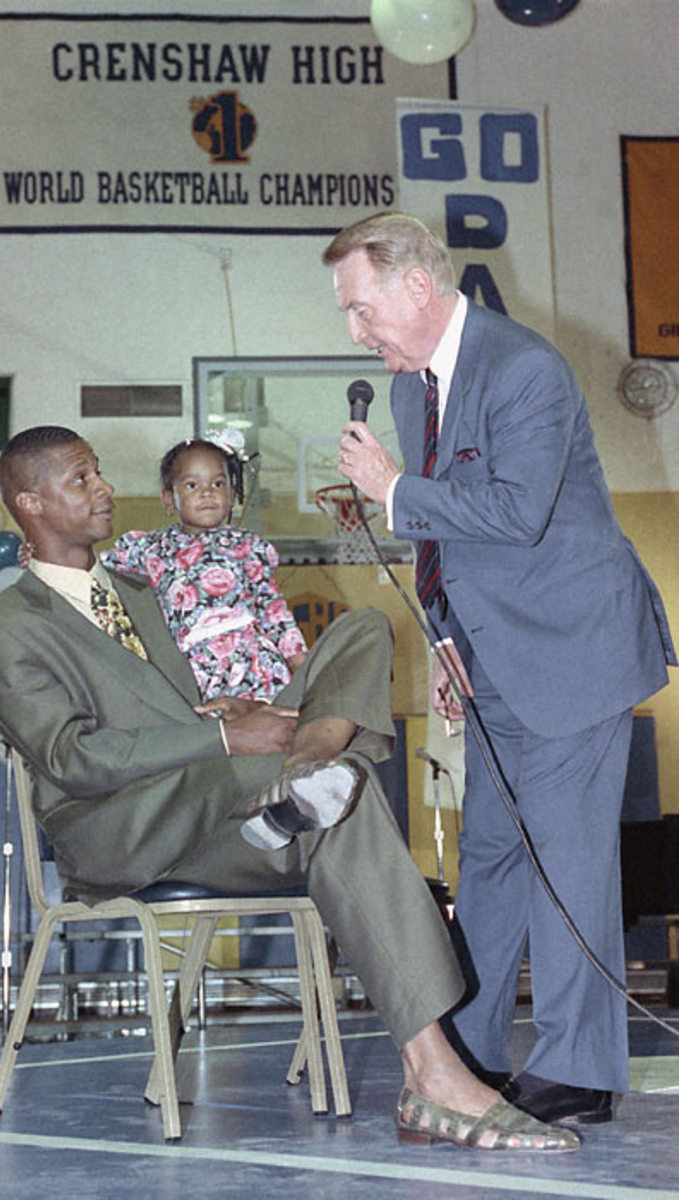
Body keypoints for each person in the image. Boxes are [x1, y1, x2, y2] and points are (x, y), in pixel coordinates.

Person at [0, 424, 578, 1152]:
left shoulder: (135, 589)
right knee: (340, 799)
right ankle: (433, 1076)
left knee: (362, 631)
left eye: (98, 473)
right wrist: (226, 737)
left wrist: (231, 712)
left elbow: (172, 698)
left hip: (224, 801)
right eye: (81, 479)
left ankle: (307, 770)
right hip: (124, 828)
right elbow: (71, 756)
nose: (103, 490)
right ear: (28, 502)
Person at [323, 211, 676, 1127]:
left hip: (572, 649)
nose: (355, 334)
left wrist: (390, 489)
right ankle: (469, 1053)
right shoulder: (410, 392)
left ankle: (577, 1068)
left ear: (415, 285)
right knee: (488, 858)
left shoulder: (523, 368)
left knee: (567, 863)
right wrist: (445, 639)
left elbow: (516, 513)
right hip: (490, 654)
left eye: (361, 310)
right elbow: (444, 538)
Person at [101, 432, 308, 703]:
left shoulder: (247, 546)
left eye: (218, 483)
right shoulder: (149, 548)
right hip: (189, 672)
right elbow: (90, 565)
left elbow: (273, 610)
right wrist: (41, 554)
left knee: (272, 729)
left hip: (253, 664)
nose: (207, 492)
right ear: (168, 498)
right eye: (191, 485)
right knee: (216, 737)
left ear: (232, 494)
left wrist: (302, 666)